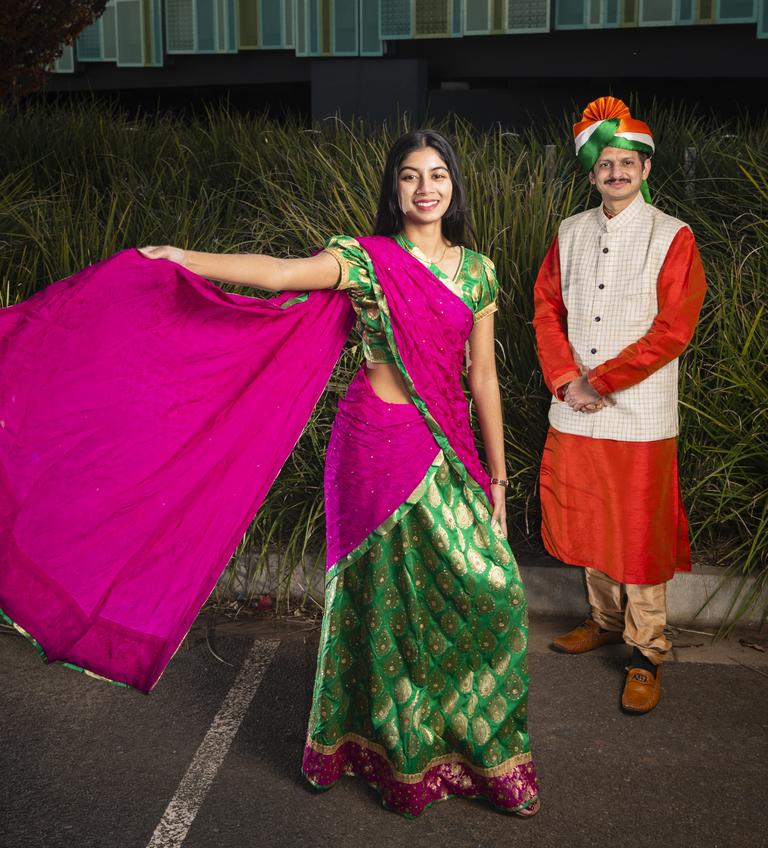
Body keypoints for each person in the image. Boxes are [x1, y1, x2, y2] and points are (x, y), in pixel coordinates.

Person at [0, 130, 539, 817]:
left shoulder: (480, 272)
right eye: (410, 176)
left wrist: (497, 477)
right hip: (374, 446)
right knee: (383, 604)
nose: (425, 188)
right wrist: (182, 256)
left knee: (493, 593)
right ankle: (388, 751)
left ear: (453, 187)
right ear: (394, 190)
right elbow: (280, 273)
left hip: (449, 444)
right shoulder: (365, 260)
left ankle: (478, 750)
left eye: (437, 175)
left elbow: (483, 377)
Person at [532, 97, 707, 715]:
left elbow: (673, 330)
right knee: (588, 515)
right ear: (591, 173)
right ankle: (604, 620)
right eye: (606, 162)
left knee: (638, 530)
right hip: (573, 406)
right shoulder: (570, 232)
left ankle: (647, 651)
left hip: (641, 415)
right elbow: (546, 310)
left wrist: (597, 382)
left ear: (646, 170)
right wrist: (563, 378)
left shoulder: (673, 236)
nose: (616, 172)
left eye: (627, 162)